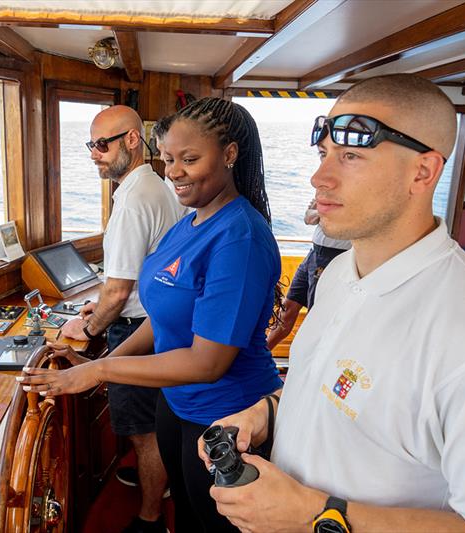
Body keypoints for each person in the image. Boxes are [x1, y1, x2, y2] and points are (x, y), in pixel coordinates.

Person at [198, 74, 465, 533]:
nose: (319, 176)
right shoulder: (339, 277)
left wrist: (316, 515)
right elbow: (324, 387)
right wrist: (265, 411)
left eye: (351, 155)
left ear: (423, 172)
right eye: (324, 152)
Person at [23, 97, 284, 533]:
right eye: (167, 159)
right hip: (175, 405)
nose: (174, 172)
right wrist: (97, 363)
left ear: (230, 155)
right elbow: (160, 318)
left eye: (189, 159)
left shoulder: (240, 237)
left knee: (211, 524)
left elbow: (207, 362)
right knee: (182, 509)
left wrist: (102, 371)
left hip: (226, 417)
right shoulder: (190, 222)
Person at [59, 105, 186, 533]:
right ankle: (159, 478)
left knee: (143, 431)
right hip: (157, 323)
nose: (94, 154)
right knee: (152, 422)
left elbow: (116, 289)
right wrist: (104, 306)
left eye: (102, 144)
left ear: (133, 140)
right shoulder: (158, 186)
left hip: (138, 330)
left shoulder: (133, 200)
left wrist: (89, 327)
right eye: (90, 145)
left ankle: (150, 517)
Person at [266, 198, 350, 350]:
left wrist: (322, 212)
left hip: (335, 257)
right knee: (288, 307)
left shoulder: (358, 196)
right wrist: (325, 212)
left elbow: (345, 217)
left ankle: (311, 361)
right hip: (313, 255)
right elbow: (309, 218)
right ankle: (264, 352)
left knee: (316, 315)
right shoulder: (326, 194)